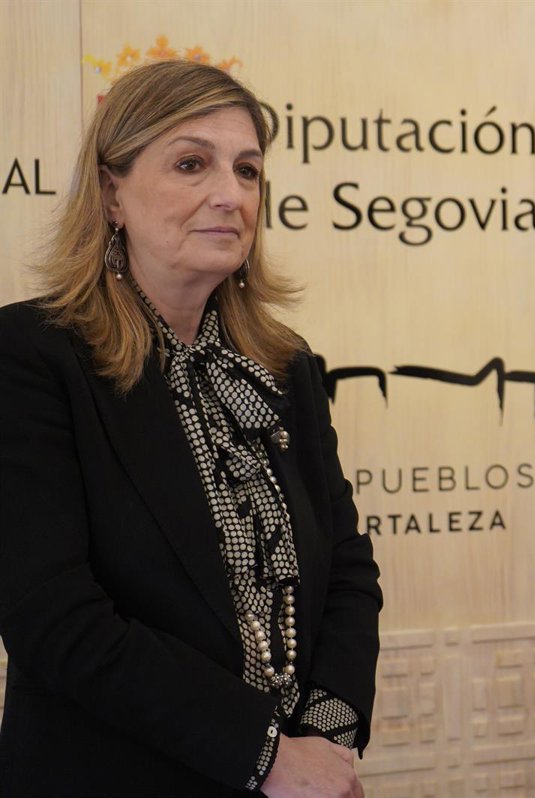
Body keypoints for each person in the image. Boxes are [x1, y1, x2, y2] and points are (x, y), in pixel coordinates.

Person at [0, 60, 382, 797]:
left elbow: (347, 567)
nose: (230, 194)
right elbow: (54, 618)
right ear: (112, 193)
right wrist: (265, 755)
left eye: (247, 170)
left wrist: (323, 738)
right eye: (190, 164)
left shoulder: (285, 365)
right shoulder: (30, 356)